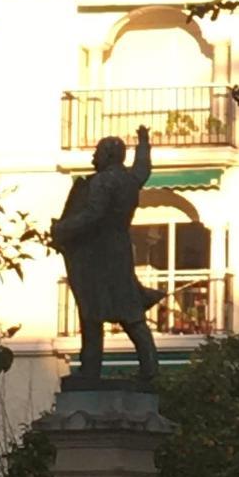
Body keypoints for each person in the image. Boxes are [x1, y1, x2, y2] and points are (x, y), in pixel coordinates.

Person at [51, 125, 163, 380]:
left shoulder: (103, 181)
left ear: (109, 156)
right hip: (121, 248)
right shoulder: (130, 180)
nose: (94, 157)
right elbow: (143, 167)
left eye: (98, 152)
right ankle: (150, 366)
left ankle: (91, 369)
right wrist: (143, 142)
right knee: (130, 310)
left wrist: (63, 228)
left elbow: (93, 214)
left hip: (97, 252)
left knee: (92, 310)